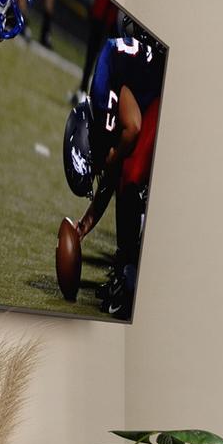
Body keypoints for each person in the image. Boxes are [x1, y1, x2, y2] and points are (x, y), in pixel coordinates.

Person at [62, 33, 166, 316]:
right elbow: (108, 177)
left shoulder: (105, 105)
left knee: (130, 176)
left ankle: (130, 278)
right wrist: (85, 223)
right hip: (155, 85)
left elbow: (132, 126)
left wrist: (114, 155)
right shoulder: (101, 103)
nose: (97, 172)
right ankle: (124, 268)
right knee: (122, 174)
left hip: (166, 85)